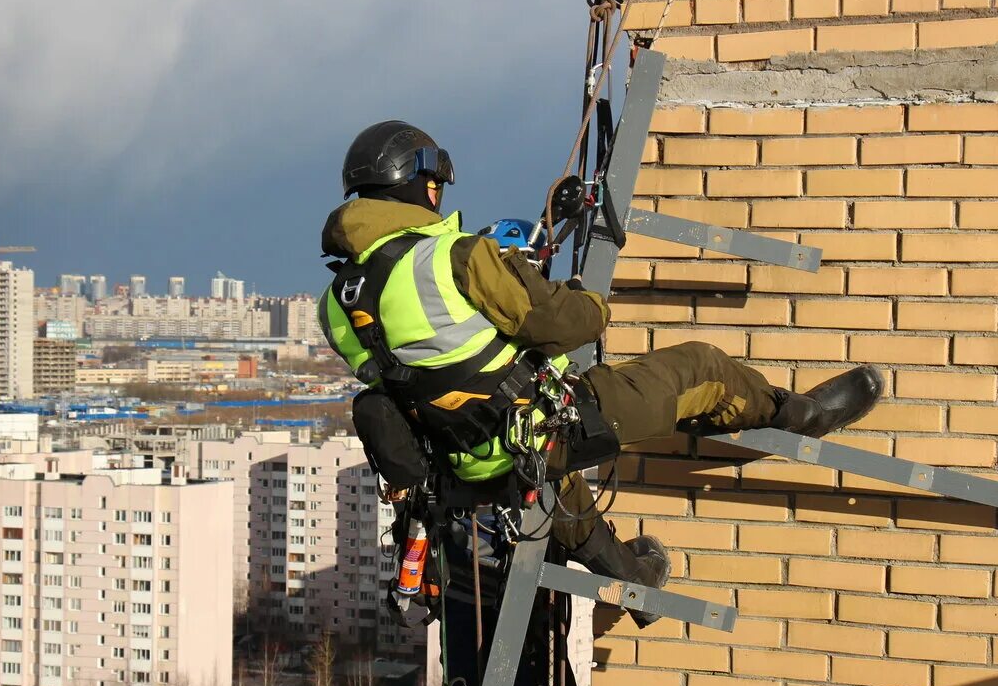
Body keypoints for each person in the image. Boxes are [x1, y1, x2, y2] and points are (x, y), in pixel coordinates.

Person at [319, 120, 884, 603]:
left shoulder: (336, 305)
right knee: (702, 369)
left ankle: (636, 580)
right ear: (422, 187)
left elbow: (428, 363)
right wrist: (577, 299)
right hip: (539, 432)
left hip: (468, 460)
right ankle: (809, 415)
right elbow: (570, 325)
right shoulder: (455, 257)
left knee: (558, 490)